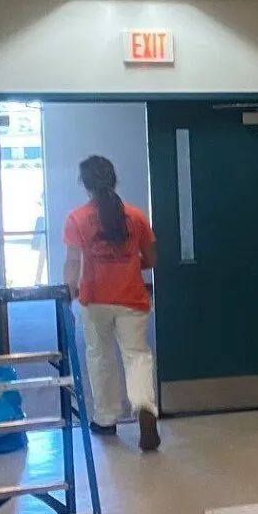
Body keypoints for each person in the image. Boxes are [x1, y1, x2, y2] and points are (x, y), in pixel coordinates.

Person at [62, 155, 161, 451]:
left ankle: (105, 419)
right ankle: (144, 406)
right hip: (131, 296)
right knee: (137, 355)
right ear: (113, 179)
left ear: (85, 184)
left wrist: (68, 291)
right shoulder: (136, 216)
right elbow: (152, 259)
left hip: (95, 299)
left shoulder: (77, 218)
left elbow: (72, 263)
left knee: (100, 356)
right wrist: (129, 264)